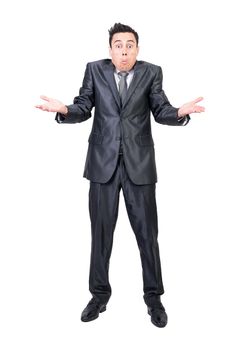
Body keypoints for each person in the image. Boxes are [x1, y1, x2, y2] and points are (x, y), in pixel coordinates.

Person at [35, 23, 205, 328]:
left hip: (140, 166)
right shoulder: (94, 70)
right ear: (110, 49)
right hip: (102, 165)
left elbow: (161, 109)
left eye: (129, 45)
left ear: (137, 49)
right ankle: (99, 296)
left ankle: (154, 299)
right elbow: (84, 106)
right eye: (118, 45)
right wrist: (64, 109)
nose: (124, 51)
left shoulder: (152, 72)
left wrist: (179, 112)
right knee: (100, 234)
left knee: (147, 236)